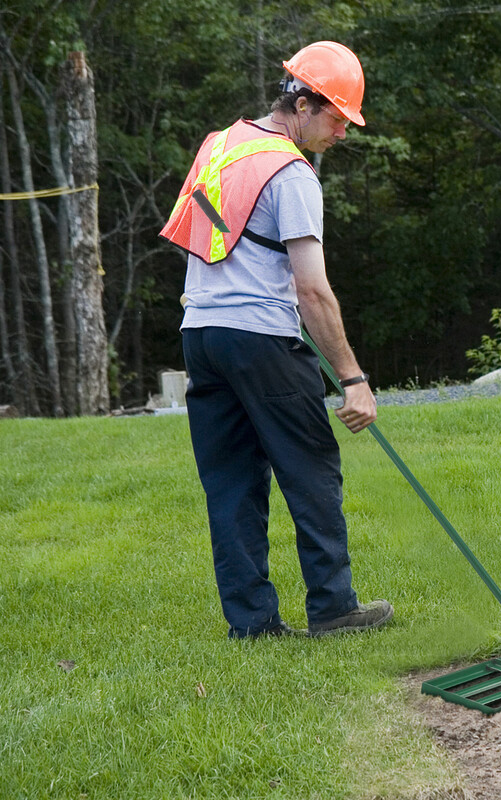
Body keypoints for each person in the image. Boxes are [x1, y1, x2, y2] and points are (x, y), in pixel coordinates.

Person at [159, 41, 393, 639]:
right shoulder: (292, 173)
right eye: (338, 118)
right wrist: (353, 379)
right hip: (261, 339)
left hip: (201, 336)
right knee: (311, 471)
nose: (342, 132)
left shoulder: (221, 144)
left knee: (231, 482)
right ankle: (335, 610)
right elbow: (312, 292)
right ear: (304, 101)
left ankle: (253, 625)